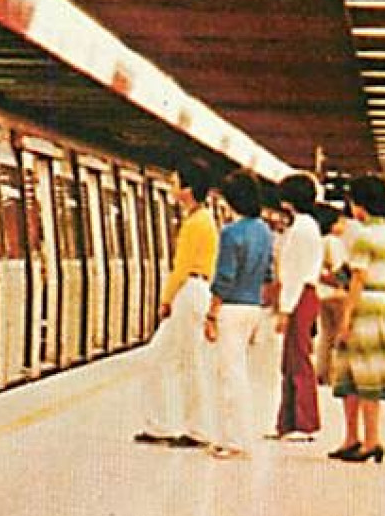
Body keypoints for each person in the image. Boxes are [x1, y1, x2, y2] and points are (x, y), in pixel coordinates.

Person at [135, 159, 218, 448]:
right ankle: (162, 425)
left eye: (174, 182)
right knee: (162, 359)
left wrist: (166, 300)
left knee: (184, 361)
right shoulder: (201, 219)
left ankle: (194, 429)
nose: (171, 188)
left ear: (188, 188)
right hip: (194, 291)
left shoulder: (196, 223)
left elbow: (180, 267)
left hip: (190, 291)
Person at [327, 175, 385, 463]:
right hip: (381, 303)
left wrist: (346, 317)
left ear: (360, 204)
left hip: (363, 305)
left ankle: (365, 440)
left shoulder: (362, 237)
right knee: (363, 372)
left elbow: (357, 278)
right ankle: (361, 440)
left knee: (359, 375)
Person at [203, 170, 272, 459]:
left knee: (229, 374)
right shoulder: (264, 231)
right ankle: (239, 435)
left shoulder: (231, 232)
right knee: (240, 373)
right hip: (253, 306)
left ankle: (232, 439)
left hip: (231, 308)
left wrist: (211, 313)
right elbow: (268, 273)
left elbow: (225, 276)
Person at [267, 172, 322, 441]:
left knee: (299, 359)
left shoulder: (302, 228)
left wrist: (285, 311)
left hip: (300, 296)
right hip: (302, 295)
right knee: (290, 360)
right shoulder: (303, 225)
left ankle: (304, 423)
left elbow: (294, 272)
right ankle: (288, 422)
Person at [313, 205, 349, 386]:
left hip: (321, 293)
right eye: (340, 221)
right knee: (339, 334)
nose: (344, 225)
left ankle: (322, 372)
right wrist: (347, 285)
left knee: (325, 334)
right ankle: (336, 374)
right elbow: (338, 270)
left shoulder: (318, 240)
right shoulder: (333, 242)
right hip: (336, 294)